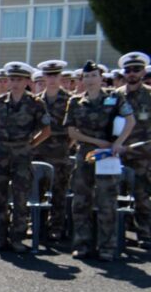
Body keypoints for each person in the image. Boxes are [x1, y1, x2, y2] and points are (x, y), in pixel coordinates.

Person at [65, 61, 134, 260]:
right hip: (86, 154)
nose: (90, 80)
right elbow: (71, 132)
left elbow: (130, 121)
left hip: (108, 156)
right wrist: (97, 142)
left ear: (101, 78)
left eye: (93, 75)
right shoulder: (75, 101)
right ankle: (83, 245)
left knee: (107, 201)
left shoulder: (115, 97)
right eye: (86, 76)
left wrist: (117, 143)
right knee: (81, 201)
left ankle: (107, 247)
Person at [0, 62, 51, 253]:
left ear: (27, 81)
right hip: (1, 155)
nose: (14, 83)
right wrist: (0, 142)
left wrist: (31, 144)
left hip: (22, 156)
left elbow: (46, 130)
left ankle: (17, 238)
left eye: (19, 79)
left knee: (20, 198)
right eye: (12, 79)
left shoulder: (35, 103)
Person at [33, 60, 73, 241]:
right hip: (38, 151)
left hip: (59, 153)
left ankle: (56, 226)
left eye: (55, 75)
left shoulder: (70, 100)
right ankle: (35, 224)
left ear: (60, 77)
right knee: (37, 190)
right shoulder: (36, 101)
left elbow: (75, 129)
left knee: (59, 191)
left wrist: (66, 146)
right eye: (48, 75)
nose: (51, 79)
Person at [116, 52, 151, 250]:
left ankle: (144, 234)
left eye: (136, 70)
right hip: (119, 153)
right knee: (116, 194)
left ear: (143, 72)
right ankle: (119, 233)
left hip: (143, 155)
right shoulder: (116, 95)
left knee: (142, 196)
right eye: (128, 70)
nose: (131, 74)